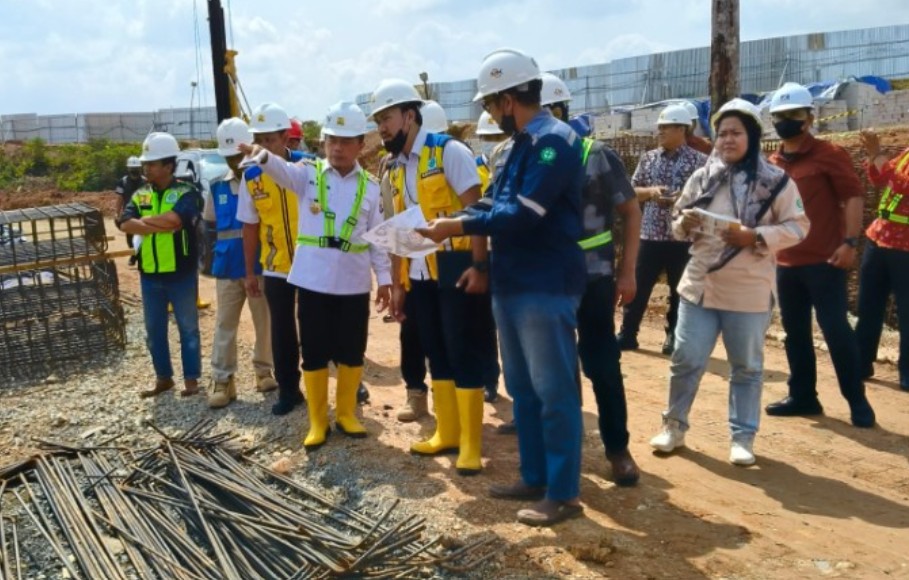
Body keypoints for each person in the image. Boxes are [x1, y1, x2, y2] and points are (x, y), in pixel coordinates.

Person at [419, 48, 586, 526]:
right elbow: (493, 201)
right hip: (512, 281)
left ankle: (563, 492)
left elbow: (523, 215)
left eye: (491, 104)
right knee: (524, 388)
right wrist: (456, 221)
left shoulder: (554, 141)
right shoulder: (516, 147)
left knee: (553, 391)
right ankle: (534, 476)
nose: (490, 114)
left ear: (509, 99)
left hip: (545, 281)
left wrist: (455, 227)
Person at [649, 99, 810, 466]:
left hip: (749, 287)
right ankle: (673, 426)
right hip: (700, 283)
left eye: (736, 133)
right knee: (685, 358)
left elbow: (799, 227)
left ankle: (742, 437)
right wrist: (684, 224)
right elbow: (677, 220)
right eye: (722, 133)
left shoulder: (776, 181)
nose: (727, 140)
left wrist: (754, 236)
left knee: (747, 367)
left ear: (752, 137)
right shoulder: (703, 176)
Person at [240, 101, 391, 448]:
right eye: (331, 140)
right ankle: (318, 421)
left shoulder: (370, 187)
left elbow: (378, 239)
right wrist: (261, 155)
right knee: (315, 351)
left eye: (345, 141)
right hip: (312, 281)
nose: (337, 148)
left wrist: (384, 279)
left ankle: (347, 415)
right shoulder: (306, 174)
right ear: (323, 142)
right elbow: (279, 169)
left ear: (360, 145)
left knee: (353, 350)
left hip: (353, 283)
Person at [371, 77, 497, 476]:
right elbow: (395, 230)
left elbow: (476, 213)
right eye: (378, 120)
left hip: (457, 269)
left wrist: (479, 268)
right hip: (420, 273)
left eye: (387, 118)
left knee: (464, 352)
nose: (382, 127)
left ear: (410, 115)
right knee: (436, 352)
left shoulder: (449, 152)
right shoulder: (391, 169)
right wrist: (398, 285)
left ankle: (472, 446)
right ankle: (448, 432)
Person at [540, 71, 644, 486]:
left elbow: (631, 212)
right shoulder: (530, 158)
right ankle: (565, 453)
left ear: (561, 112)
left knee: (601, 364)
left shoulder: (595, 155)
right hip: (546, 282)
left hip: (593, 280)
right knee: (555, 370)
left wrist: (628, 271)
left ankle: (617, 449)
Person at [763, 83, 875, 427]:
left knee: (835, 329)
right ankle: (803, 396)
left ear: (809, 118)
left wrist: (850, 242)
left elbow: (852, 198)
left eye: (793, 115)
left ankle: (856, 399)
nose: (786, 122)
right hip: (785, 263)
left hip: (825, 261)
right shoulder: (773, 162)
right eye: (779, 116)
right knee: (794, 333)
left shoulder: (830, 154)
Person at [236, 103, 309, 416]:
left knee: (318, 326)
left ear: (285, 137)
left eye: (270, 139)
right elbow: (249, 227)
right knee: (282, 332)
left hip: (312, 264)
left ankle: (344, 384)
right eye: (259, 140)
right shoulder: (251, 177)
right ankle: (289, 390)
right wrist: (250, 271)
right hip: (276, 267)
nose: (264, 146)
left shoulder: (309, 168)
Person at [118, 132, 203, 398]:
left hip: (181, 275)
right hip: (150, 275)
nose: (146, 169)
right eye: (145, 164)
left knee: (188, 329)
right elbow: (125, 223)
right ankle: (163, 378)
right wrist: (160, 223)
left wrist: (146, 224)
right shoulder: (141, 194)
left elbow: (177, 220)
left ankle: (191, 380)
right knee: (155, 332)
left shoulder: (187, 192)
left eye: (151, 164)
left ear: (168, 166)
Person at [618, 103, 708, 355]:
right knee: (639, 286)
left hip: (683, 238)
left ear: (682, 129)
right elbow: (631, 192)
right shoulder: (648, 159)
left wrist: (684, 200)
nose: (660, 132)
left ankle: (674, 337)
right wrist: (651, 193)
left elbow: (709, 196)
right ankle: (627, 334)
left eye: (665, 128)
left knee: (679, 290)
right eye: (659, 128)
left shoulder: (700, 162)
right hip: (650, 235)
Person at [203, 118, 278, 409]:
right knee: (225, 325)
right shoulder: (217, 188)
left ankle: (263, 371)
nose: (235, 162)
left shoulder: (265, 179)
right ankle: (223, 380)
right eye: (230, 158)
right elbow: (210, 226)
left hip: (260, 267)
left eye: (239, 156)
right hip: (227, 268)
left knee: (264, 322)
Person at [856, 128, 909, 392]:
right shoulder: (905, 155)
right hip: (879, 238)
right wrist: (874, 160)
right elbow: (880, 181)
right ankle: (861, 362)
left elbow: (903, 184)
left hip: (905, 246)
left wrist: (878, 155)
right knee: (868, 307)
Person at [115, 155, 145, 265]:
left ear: (140, 169)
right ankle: (133, 255)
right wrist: (117, 213)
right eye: (132, 169)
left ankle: (139, 256)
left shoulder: (146, 182)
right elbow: (119, 198)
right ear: (128, 169)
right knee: (129, 236)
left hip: (143, 213)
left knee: (142, 235)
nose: (134, 171)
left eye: (136, 169)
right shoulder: (122, 182)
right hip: (128, 213)